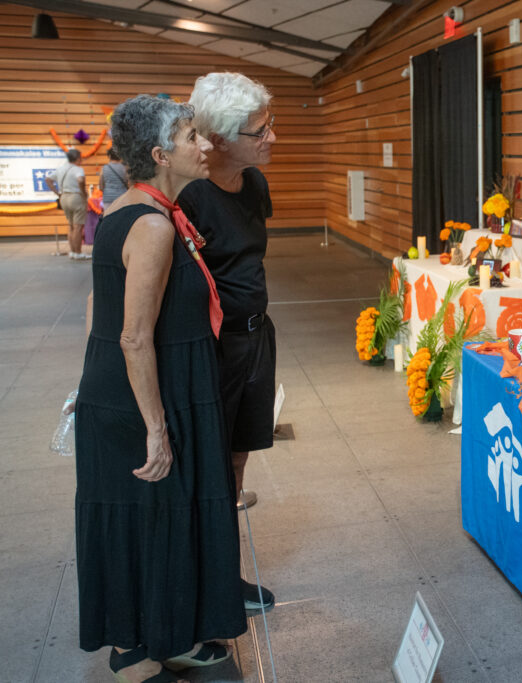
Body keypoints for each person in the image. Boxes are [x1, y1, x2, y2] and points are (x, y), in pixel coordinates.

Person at [76, 94, 244, 683]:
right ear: (159, 154)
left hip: (145, 385)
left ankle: (168, 634)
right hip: (144, 393)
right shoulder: (151, 226)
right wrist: (155, 427)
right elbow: (133, 337)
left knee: (161, 518)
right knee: (150, 516)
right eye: (192, 137)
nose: (205, 146)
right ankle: (137, 649)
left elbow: (100, 304)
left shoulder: (134, 209)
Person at [178, 72, 278, 613]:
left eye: (271, 124)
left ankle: (226, 576)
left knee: (236, 465)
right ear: (217, 139)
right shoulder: (190, 196)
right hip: (213, 350)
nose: (272, 138)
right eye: (259, 130)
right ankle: (206, 584)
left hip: (256, 339)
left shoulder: (255, 183)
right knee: (208, 469)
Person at [45, 148, 89, 260]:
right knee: (78, 227)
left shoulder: (61, 168)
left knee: (71, 226)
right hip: (76, 197)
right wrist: (84, 193)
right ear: (78, 158)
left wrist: (57, 193)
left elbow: (48, 179)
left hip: (63, 197)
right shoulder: (78, 169)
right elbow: (80, 180)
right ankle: (78, 252)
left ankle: (73, 252)